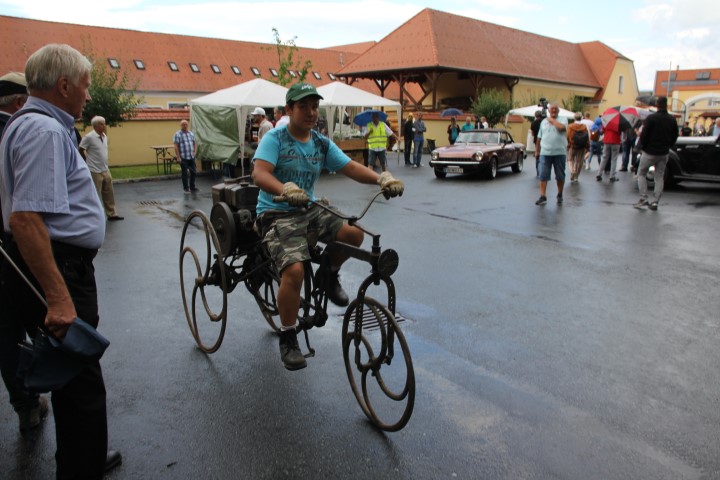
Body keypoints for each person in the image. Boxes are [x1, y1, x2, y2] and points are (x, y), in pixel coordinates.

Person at [0, 43, 121, 478]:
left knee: (72, 376)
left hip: (59, 263)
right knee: (80, 377)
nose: (89, 96)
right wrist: (58, 298)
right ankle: (81, 466)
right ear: (64, 84)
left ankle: (80, 456)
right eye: (86, 86)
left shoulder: (31, 123)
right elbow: (27, 218)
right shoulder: (45, 131)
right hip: (60, 267)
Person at [251, 83, 404, 370]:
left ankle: (328, 274)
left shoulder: (320, 142)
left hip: (309, 208)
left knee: (353, 233)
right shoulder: (275, 138)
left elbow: (349, 167)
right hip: (276, 212)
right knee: (294, 270)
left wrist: (381, 178)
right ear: (289, 110)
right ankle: (288, 336)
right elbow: (259, 173)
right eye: (303, 107)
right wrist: (285, 188)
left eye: (314, 107)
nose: (311, 112)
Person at [634, 96, 679, 211]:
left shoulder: (651, 118)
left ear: (657, 105)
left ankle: (643, 198)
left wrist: (641, 147)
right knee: (659, 177)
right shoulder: (672, 119)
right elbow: (675, 136)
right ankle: (655, 202)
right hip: (664, 152)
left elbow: (644, 135)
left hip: (650, 151)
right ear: (666, 105)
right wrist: (669, 145)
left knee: (641, 173)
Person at [79, 116, 124, 221]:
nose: (104, 126)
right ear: (95, 126)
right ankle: (94, 216)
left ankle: (112, 214)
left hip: (105, 169)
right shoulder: (89, 137)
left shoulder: (104, 136)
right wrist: (86, 162)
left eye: (104, 123)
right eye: (101, 124)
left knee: (109, 193)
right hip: (94, 170)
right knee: (95, 194)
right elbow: (80, 149)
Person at [535, 102, 568, 205]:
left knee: (560, 176)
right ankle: (543, 196)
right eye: (552, 109)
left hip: (559, 152)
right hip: (545, 152)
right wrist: (537, 150)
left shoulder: (563, 119)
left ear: (558, 110)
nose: (553, 110)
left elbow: (561, 128)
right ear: (548, 110)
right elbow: (539, 137)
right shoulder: (543, 122)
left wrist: (551, 120)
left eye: (555, 109)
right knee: (543, 175)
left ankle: (559, 194)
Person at [173, 119, 198, 193]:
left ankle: (192, 187)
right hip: (183, 157)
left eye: (186, 124)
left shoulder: (191, 133)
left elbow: (195, 143)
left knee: (193, 172)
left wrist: (195, 152)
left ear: (188, 125)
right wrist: (178, 157)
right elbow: (176, 146)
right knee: (184, 173)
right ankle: (186, 188)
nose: (185, 125)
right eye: (183, 124)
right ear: (180, 125)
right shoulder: (177, 134)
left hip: (191, 156)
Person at [566, 111, 589, 182]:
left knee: (570, 159)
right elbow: (587, 137)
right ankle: (576, 176)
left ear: (574, 118)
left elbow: (567, 136)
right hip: (581, 147)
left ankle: (572, 171)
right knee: (579, 161)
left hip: (572, 146)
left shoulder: (570, 126)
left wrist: (568, 144)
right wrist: (587, 146)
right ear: (581, 117)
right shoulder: (584, 126)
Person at [597, 118, 621, 182]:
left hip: (607, 140)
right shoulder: (619, 123)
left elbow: (602, 131)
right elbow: (621, 132)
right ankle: (612, 176)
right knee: (614, 159)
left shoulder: (606, 121)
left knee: (604, 158)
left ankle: (599, 174)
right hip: (616, 141)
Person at [530, 110, 543, 176]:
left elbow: (532, 134)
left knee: (537, 154)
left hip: (536, 141)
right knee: (543, 155)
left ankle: (538, 170)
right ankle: (543, 169)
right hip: (544, 140)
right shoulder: (544, 122)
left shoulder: (533, 123)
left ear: (535, 116)